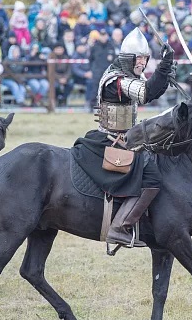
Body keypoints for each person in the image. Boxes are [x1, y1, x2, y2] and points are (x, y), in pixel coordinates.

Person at [73, 28, 176, 247]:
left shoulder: (128, 76)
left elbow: (154, 91)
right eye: (138, 58)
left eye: (145, 58)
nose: (142, 62)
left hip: (126, 138)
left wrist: (166, 71)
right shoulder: (117, 80)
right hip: (111, 140)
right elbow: (147, 92)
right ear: (127, 58)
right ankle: (120, 227)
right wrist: (164, 65)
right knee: (151, 176)